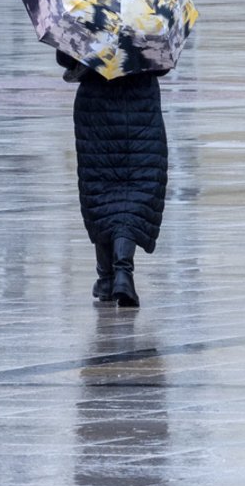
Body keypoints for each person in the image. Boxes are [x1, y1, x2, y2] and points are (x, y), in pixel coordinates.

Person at [56, 51, 168, 308]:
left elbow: (65, 57)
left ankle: (106, 277)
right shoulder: (146, 13)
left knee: (100, 190)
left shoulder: (86, 12)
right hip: (141, 106)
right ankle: (122, 274)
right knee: (137, 191)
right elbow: (162, 65)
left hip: (95, 106)